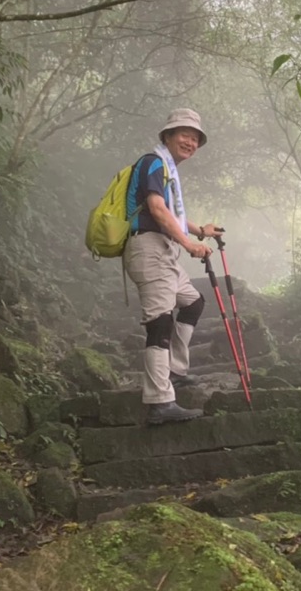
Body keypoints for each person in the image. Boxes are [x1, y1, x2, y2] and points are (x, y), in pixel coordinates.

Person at [123, 109, 223, 425]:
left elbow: (169, 212)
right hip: (148, 247)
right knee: (160, 322)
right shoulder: (153, 162)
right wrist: (190, 244)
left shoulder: (166, 168)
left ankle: (175, 370)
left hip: (163, 250)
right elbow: (156, 209)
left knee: (193, 303)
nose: (190, 142)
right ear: (167, 135)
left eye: (195, 138)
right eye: (184, 134)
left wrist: (199, 231)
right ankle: (159, 401)